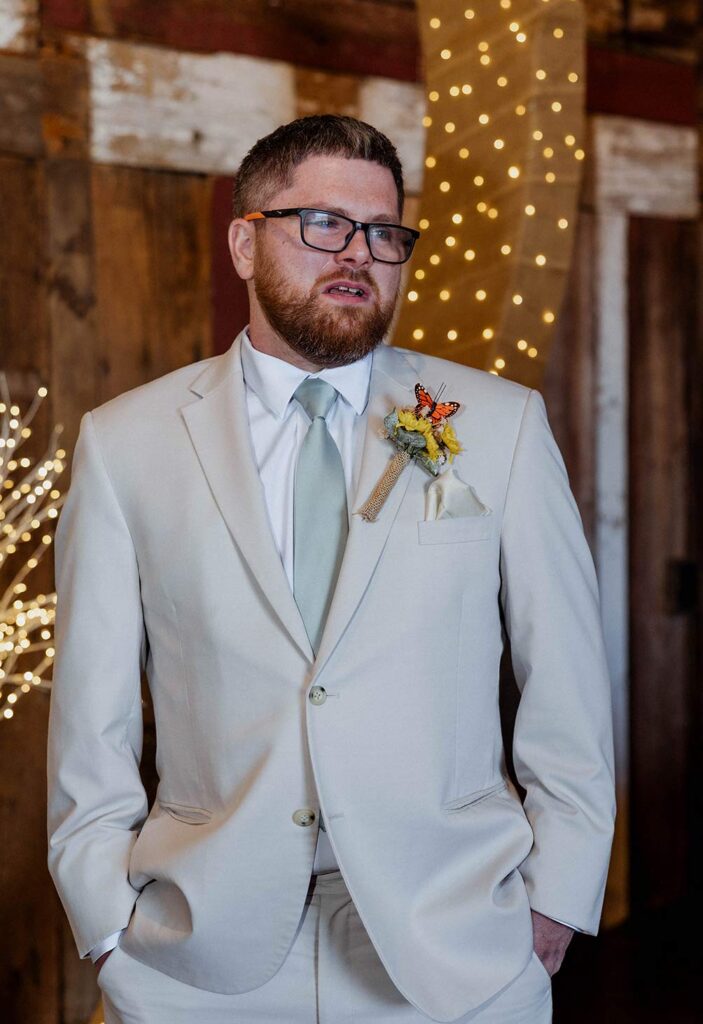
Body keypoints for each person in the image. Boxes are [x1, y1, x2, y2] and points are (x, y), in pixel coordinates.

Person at [47, 115, 615, 1024]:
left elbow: (568, 682)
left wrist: (558, 897)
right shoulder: (125, 444)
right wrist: (106, 924)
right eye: (323, 224)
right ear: (244, 243)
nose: (358, 253)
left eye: (384, 233)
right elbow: (91, 715)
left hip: (454, 942)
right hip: (195, 955)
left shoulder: (498, 424)